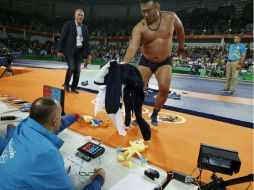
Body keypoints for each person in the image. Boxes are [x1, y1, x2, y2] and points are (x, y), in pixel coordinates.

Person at [0, 97, 105, 190]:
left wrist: (74, 116)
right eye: (59, 116)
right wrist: (99, 180)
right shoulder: (46, 153)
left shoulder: (25, 125)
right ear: (55, 120)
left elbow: (54, 124)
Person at [122, 0, 185, 126]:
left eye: (148, 11)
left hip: (164, 62)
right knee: (137, 90)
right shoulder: (139, 27)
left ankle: (155, 114)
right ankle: (138, 115)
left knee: (164, 89)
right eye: (143, 11)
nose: (145, 14)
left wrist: (181, 47)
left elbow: (180, 30)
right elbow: (133, 47)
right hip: (146, 62)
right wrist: (124, 64)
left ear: (157, 8)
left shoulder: (170, 17)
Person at [58, 9, 92, 94]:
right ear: (75, 16)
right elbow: (62, 37)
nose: (80, 16)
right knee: (72, 68)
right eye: (79, 15)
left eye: (82, 15)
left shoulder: (85, 28)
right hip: (69, 51)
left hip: (80, 52)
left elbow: (87, 42)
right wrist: (60, 50)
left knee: (77, 71)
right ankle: (66, 85)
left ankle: (73, 88)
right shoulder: (69, 24)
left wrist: (88, 55)